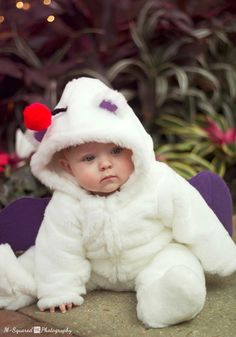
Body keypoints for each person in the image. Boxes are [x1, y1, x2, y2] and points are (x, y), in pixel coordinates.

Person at [0, 77, 236, 328]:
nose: (105, 164)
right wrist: (60, 290)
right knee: (40, 262)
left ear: (132, 147)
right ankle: (11, 284)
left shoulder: (157, 181)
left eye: (116, 151)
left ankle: (169, 299)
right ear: (67, 168)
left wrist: (221, 256)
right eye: (89, 157)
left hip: (153, 255)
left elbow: (192, 216)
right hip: (96, 271)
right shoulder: (66, 203)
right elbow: (60, 249)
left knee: (179, 264)